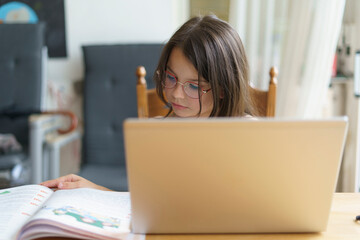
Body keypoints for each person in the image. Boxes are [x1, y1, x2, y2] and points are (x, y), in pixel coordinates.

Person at [40, 15, 256, 191]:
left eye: (194, 86)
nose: (177, 94)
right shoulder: (157, 130)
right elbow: (142, 202)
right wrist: (93, 189)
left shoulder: (251, 134)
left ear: (221, 89)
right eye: (170, 77)